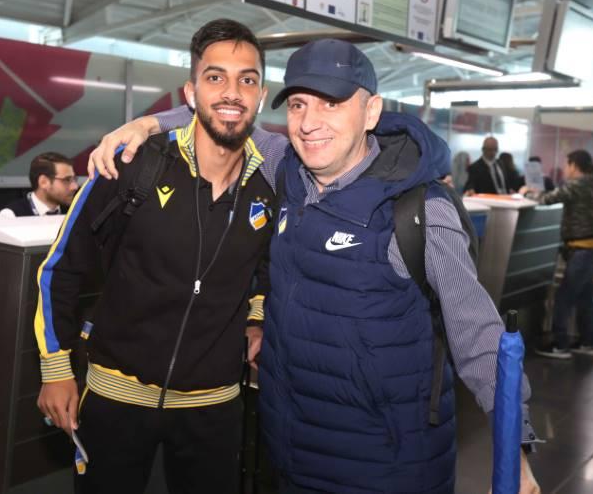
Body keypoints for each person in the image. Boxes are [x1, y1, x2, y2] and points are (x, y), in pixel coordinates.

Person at [89, 39, 541, 494]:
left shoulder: (419, 209)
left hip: (385, 466)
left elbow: (477, 334)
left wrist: (514, 450)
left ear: (371, 112)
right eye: (298, 105)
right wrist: (148, 124)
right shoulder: (288, 170)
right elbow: (223, 117)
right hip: (290, 453)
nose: (309, 123)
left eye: (332, 103)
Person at [35, 19, 276, 494]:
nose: (232, 92)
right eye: (215, 77)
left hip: (214, 408)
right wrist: (56, 370)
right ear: (190, 93)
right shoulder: (132, 166)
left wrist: (257, 318)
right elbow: (59, 269)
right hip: (115, 397)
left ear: (261, 96)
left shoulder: (269, 188)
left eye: (247, 79)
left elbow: (265, 271)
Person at [522, 150, 593, 359]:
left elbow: (548, 199)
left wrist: (527, 193)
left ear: (574, 165)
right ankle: (588, 342)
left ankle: (560, 345)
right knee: (584, 297)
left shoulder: (575, 186)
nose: (566, 169)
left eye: (568, 164)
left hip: (581, 249)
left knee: (564, 297)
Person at [0, 152, 79, 217]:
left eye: (74, 179)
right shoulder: (12, 215)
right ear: (43, 182)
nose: (75, 187)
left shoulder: (73, 213)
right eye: (67, 180)